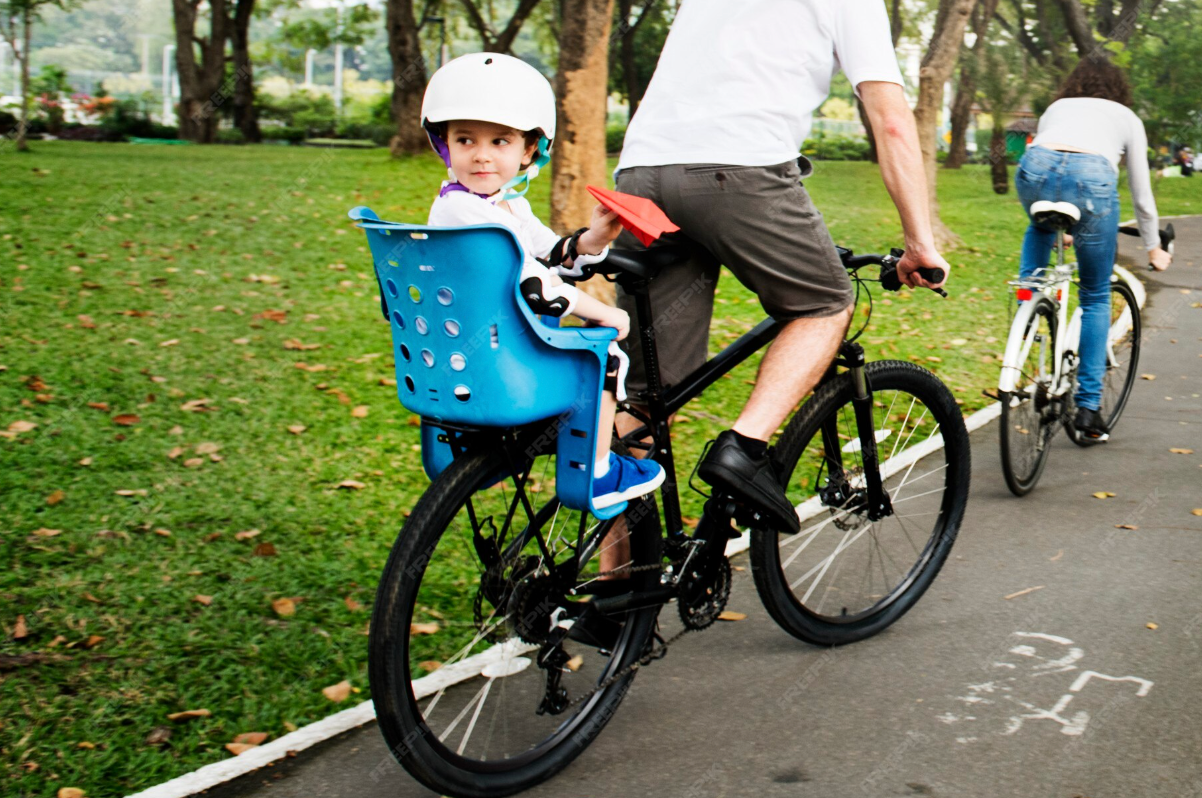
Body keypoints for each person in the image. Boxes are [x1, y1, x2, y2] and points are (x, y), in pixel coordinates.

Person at [609, 0, 950, 535]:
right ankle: (742, 453)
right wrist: (919, 242)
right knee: (824, 304)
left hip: (639, 175)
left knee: (648, 404)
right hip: (735, 170)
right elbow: (892, 123)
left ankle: (614, 603)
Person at [421, 53, 665, 508]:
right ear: (445, 144)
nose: (481, 154)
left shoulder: (505, 206)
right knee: (605, 358)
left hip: (478, 349)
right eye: (465, 139)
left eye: (500, 141)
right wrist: (603, 312)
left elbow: (551, 255)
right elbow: (536, 286)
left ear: (528, 150)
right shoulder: (464, 212)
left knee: (587, 349)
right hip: (492, 358)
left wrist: (591, 239)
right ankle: (596, 473)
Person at [1015, 56, 1171, 441]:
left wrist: (1066, 226)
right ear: (1117, 88)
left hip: (1034, 171)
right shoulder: (1126, 118)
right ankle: (1088, 409)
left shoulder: (1056, 108)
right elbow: (1140, 192)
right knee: (1096, 294)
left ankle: (1026, 309)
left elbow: (1055, 161)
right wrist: (1154, 248)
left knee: (1037, 226)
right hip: (1092, 184)